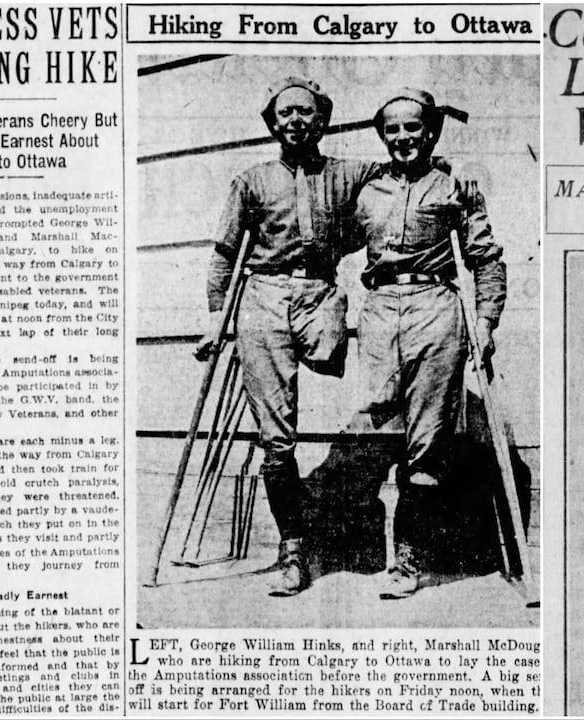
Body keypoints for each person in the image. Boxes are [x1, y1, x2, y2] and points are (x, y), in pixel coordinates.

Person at [197, 76, 378, 597]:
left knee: (371, 391)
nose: (296, 121)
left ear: (322, 120)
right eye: (286, 114)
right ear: (273, 124)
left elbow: (401, 169)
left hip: (319, 295)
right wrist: (216, 319)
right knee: (277, 438)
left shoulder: (349, 174)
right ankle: (293, 549)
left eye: (307, 112)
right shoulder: (251, 181)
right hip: (263, 300)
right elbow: (225, 257)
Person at [352, 88, 507, 600]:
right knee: (380, 426)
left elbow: (484, 258)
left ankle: (409, 559)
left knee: (426, 442)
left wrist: (485, 321)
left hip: (435, 311)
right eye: (392, 130)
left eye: (412, 128)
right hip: (378, 314)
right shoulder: (367, 188)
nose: (403, 138)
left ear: (431, 130)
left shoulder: (457, 184)